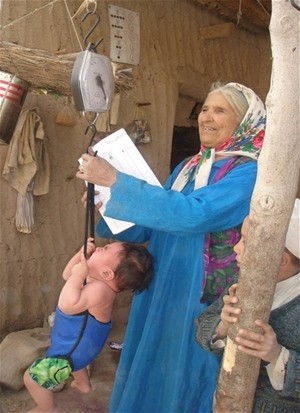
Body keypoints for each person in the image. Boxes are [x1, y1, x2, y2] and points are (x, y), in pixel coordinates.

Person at [76, 82, 266, 413]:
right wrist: (104, 205)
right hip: (162, 283)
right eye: (204, 109)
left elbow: (196, 214)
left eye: (220, 110)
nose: (206, 116)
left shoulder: (247, 172)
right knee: (152, 360)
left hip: (199, 294)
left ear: (246, 121)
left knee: (187, 369)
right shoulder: (188, 167)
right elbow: (151, 225)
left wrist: (118, 183)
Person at [23, 238, 153, 413]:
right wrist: (80, 256)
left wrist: (78, 276)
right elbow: (67, 276)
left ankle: (48, 408)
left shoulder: (99, 291)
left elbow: (67, 305)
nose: (99, 248)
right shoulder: (99, 282)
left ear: (107, 274)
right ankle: (83, 385)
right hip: (83, 349)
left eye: (105, 249)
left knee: (31, 379)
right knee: (77, 361)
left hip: (69, 353)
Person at [195, 199, 300, 412]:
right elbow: (204, 323)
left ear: (281, 259)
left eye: (245, 241)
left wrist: (276, 355)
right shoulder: (241, 281)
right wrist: (223, 326)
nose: (235, 248)